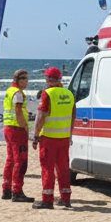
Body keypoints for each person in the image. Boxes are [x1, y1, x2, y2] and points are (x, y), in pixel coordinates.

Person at [32, 66, 75, 209]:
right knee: (63, 169)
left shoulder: (47, 94)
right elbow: (73, 116)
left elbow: (40, 117)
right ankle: (66, 198)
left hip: (49, 137)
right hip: (64, 137)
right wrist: (70, 134)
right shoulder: (69, 94)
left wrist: (35, 135)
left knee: (47, 169)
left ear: (49, 79)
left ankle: (47, 200)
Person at [1, 69, 34, 202]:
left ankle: (6, 189)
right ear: (18, 80)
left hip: (8, 127)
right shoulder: (18, 93)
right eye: (25, 79)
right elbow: (18, 111)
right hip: (17, 129)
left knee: (11, 160)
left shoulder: (10, 90)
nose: (27, 81)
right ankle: (17, 191)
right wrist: (25, 126)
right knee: (20, 161)